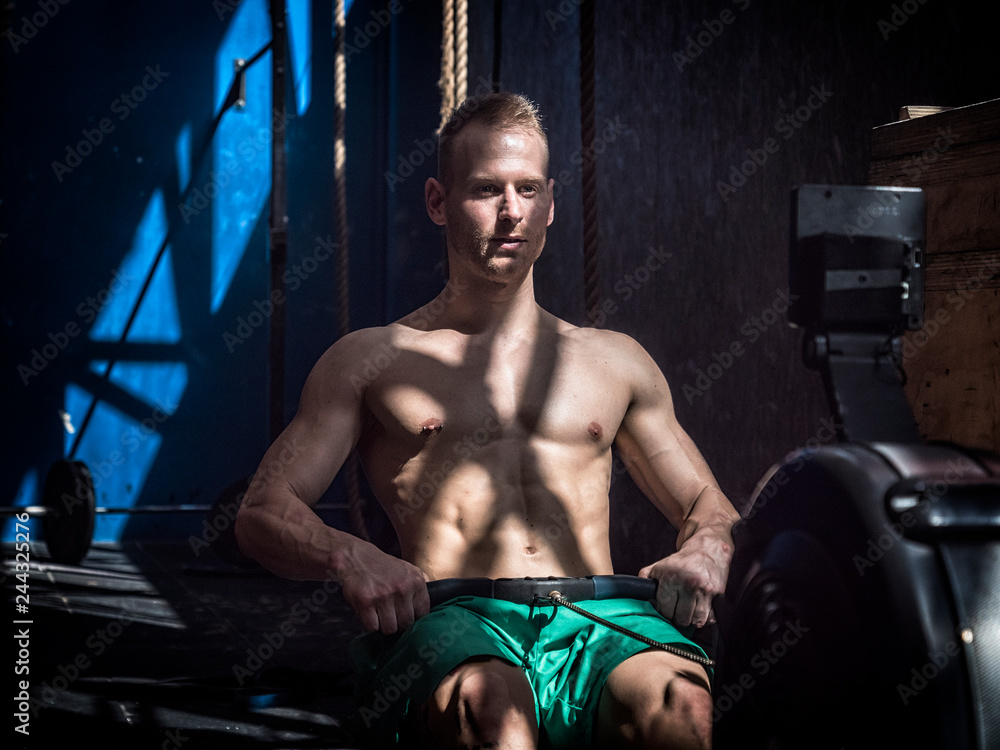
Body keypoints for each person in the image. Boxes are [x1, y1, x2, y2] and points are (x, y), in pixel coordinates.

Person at [235, 91, 740, 750]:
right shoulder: (371, 359)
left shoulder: (616, 361)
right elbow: (262, 510)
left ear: (552, 202)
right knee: (492, 713)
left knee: (683, 709)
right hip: (458, 622)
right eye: (486, 189)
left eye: (528, 189)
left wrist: (708, 547)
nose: (511, 211)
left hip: (600, 619)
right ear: (437, 201)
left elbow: (707, 504)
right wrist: (350, 555)